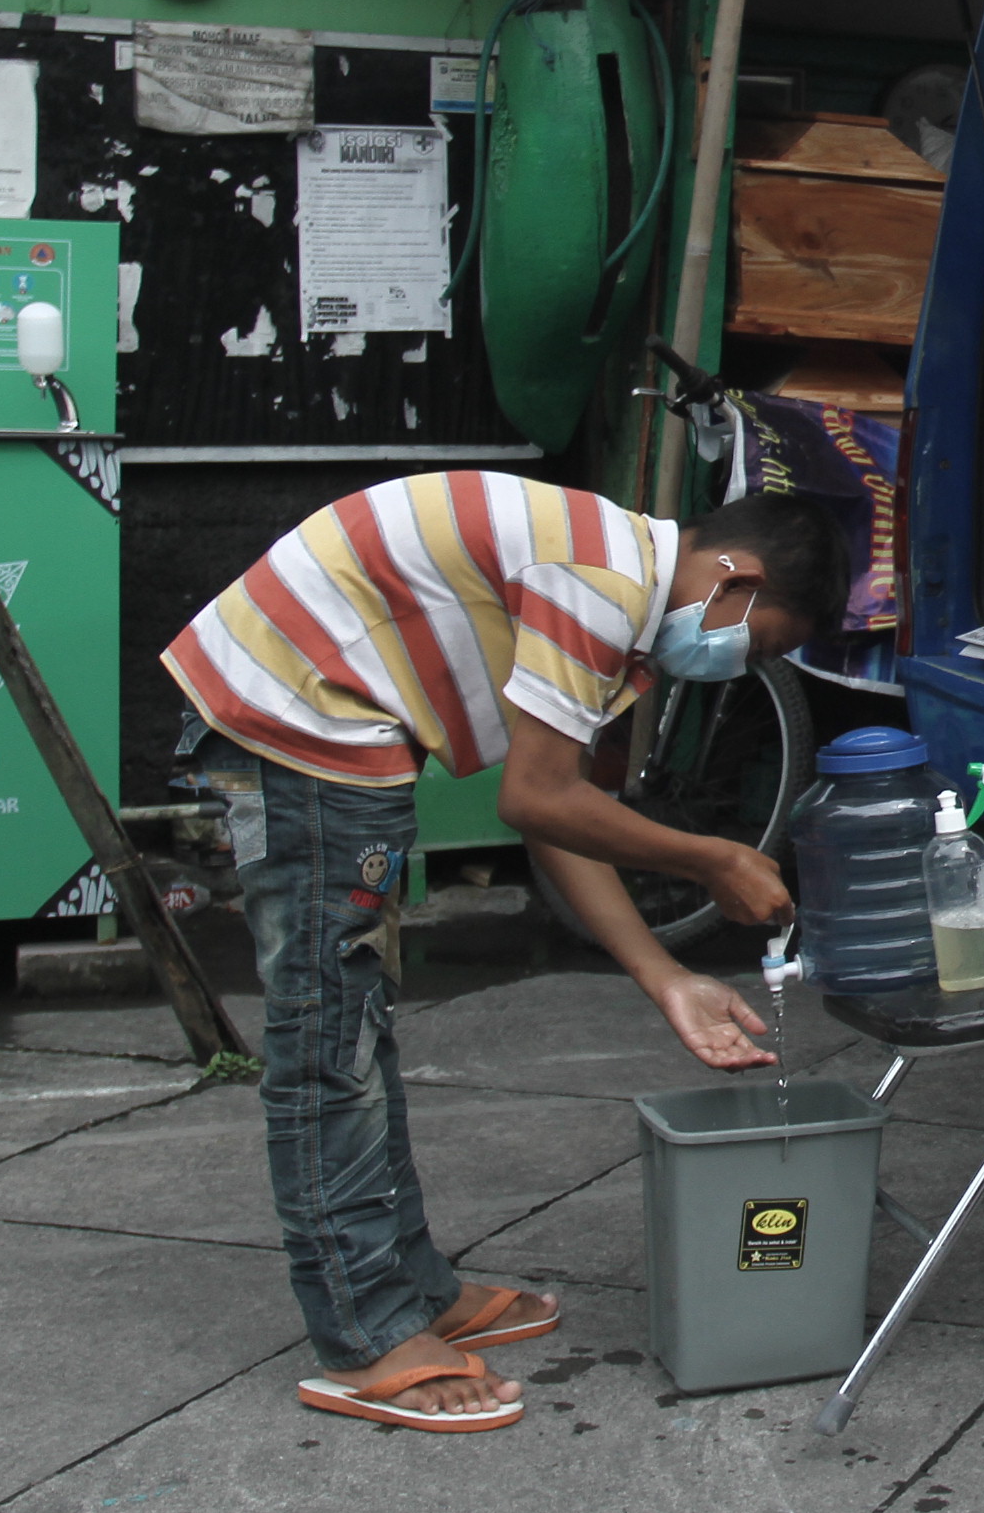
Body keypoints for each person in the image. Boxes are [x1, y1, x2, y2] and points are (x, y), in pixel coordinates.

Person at [163, 474, 838, 1433]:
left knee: (354, 1025)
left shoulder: (619, 588)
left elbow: (558, 813)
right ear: (736, 576)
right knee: (327, 1038)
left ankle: (412, 1290)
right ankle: (365, 1338)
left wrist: (665, 977)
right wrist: (714, 859)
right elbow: (538, 798)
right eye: (758, 641)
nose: (735, 663)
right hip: (297, 717)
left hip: (326, 717)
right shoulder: (602, 579)